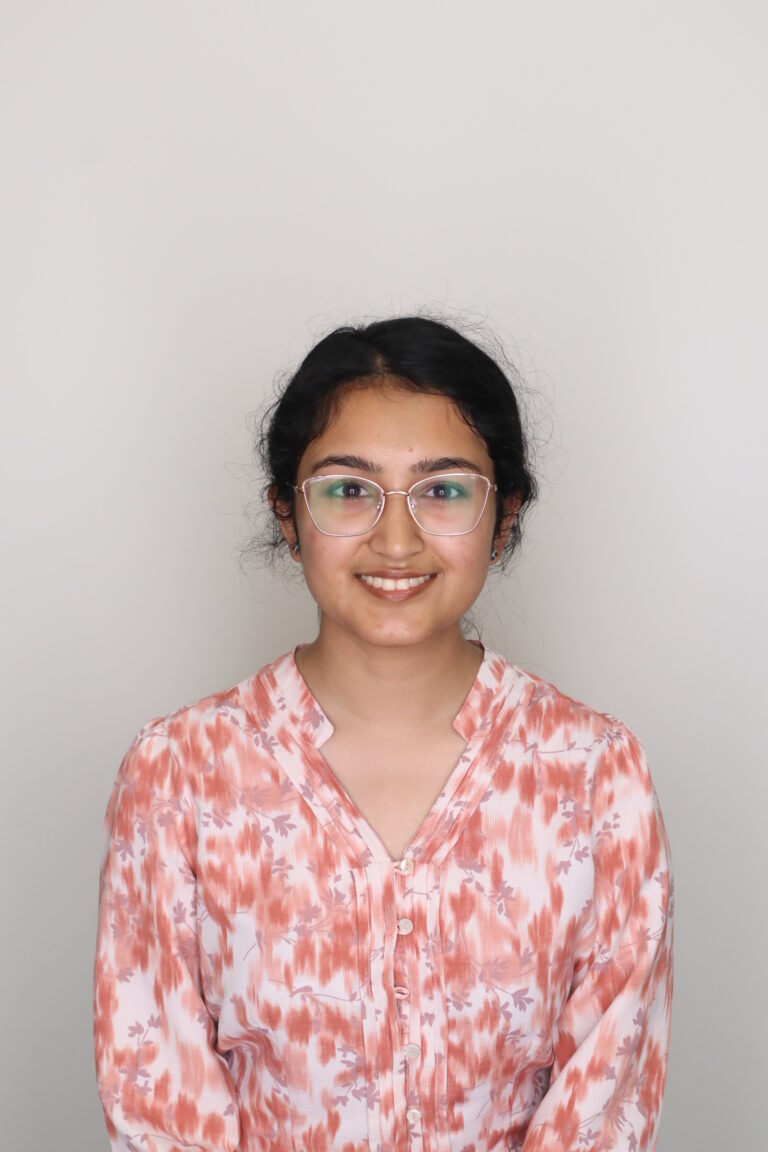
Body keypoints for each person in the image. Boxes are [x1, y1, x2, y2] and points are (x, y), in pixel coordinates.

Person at [93, 316, 674, 1152]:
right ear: (286, 516)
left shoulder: (594, 778)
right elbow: (160, 1103)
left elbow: (604, 1109)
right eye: (347, 490)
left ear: (503, 515)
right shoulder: (181, 774)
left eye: (442, 490)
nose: (395, 541)